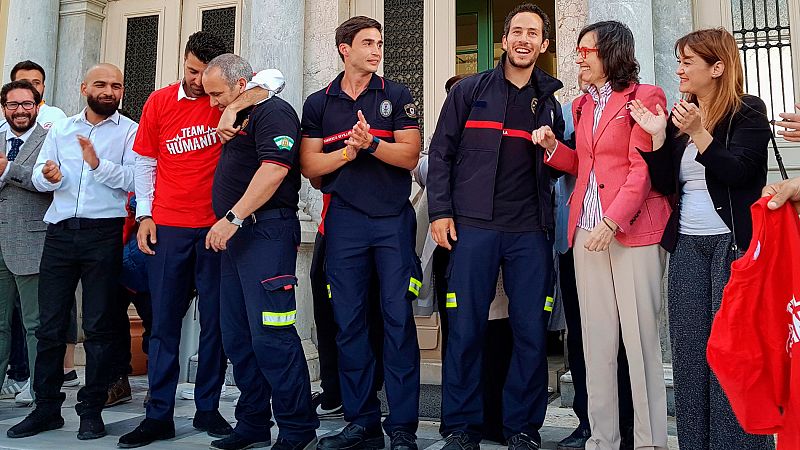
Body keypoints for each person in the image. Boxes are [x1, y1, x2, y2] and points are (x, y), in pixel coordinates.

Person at [119, 31, 283, 448]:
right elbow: (145, 162)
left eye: (203, 74)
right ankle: (158, 414)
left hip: (218, 228)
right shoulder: (159, 101)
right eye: (191, 70)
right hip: (169, 225)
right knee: (163, 325)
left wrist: (234, 109)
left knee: (217, 326)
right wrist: (144, 215)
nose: (196, 81)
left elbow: (275, 79)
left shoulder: (229, 98)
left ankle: (208, 408)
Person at [628, 28, 775, 450]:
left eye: (688, 61)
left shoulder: (748, 111)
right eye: (679, 60)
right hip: (689, 245)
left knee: (734, 353)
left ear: (717, 67)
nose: (680, 69)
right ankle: (695, 442)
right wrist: (659, 136)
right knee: (691, 354)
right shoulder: (682, 116)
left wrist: (699, 133)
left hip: (735, 245)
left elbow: (741, 172)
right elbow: (662, 185)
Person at [427, 5, 564, 449]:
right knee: (465, 328)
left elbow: (563, 167)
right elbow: (441, 154)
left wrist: (553, 148)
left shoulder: (552, 104)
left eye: (534, 33)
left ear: (544, 45)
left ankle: (522, 427)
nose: (524, 39)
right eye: (517, 31)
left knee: (529, 332)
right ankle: (462, 427)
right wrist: (440, 213)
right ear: (504, 40)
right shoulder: (469, 90)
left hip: (530, 231)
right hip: (473, 227)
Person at [533, 20, 670, 450]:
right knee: (596, 344)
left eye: (585, 50)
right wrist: (554, 149)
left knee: (641, 343)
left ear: (610, 52)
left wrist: (612, 222)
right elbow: (586, 166)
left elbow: (642, 168)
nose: (578, 57)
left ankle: (649, 442)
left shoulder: (645, 97)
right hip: (586, 232)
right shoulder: (581, 105)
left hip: (631, 232)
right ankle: (603, 440)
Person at [300, 15, 422, 450]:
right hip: (345, 224)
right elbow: (310, 166)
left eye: (379, 42)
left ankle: (403, 427)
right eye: (367, 42)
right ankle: (361, 421)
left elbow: (410, 155)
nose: (376, 50)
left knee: (396, 321)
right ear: (343, 49)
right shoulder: (319, 102)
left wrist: (372, 144)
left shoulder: (397, 94)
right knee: (348, 324)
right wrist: (348, 153)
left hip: (392, 222)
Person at [7, 63, 136, 441]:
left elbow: (135, 179)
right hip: (60, 232)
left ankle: (91, 408)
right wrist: (49, 176)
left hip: (104, 233)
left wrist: (99, 165)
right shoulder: (60, 128)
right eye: (101, 84)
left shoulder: (130, 131)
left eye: (116, 85)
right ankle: (46, 408)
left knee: (98, 326)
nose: (109, 91)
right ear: (84, 88)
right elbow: (37, 174)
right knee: (49, 325)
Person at [200, 53, 319, 450]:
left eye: (217, 93)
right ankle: (252, 422)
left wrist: (232, 217)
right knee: (237, 337)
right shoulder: (238, 113)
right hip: (238, 243)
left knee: (273, 336)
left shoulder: (275, 112)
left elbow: (275, 169)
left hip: (265, 234)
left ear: (240, 84)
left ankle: (297, 428)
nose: (213, 102)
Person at [554, 77, 634, 450]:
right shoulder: (571, 110)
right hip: (574, 240)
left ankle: (629, 427)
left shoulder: (635, 103)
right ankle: (589, 422)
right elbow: (567, 168)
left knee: (624, 339)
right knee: (584, 338)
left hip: (621, 236)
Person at [308, 190, 384, 419]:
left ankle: (347, 394)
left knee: (352, 316)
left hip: (356, 225)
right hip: (335, 222)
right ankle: (337, 392)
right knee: (332, 315)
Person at [0, 80, 51, 409]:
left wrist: (9, 169)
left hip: (30, 242)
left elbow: (50, 184)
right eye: (13, 105)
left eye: (27, 104)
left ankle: (40, 391)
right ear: (4, 108)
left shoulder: (51, 140)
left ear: (38, 105)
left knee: (35, 323)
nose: (20, 110)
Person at [0, 60, 67, 132]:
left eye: (36, 83)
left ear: (43, 87)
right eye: (24, 82)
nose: (30, 87)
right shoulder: (2, 126)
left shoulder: (56, 116)